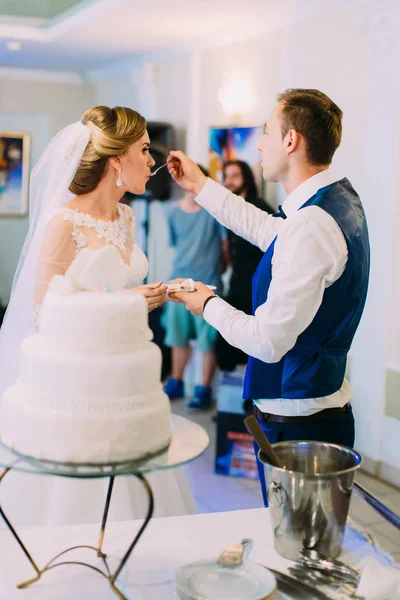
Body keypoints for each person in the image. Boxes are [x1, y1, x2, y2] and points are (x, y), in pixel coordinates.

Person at [167, 89, 370, 505]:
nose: (259, 143)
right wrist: (200, 186)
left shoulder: (313, 222)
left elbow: (268, 342)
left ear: (291, 140)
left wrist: (206, 304)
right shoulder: (334, 202)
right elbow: (266, 230)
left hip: (300, 425)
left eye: (266, 132)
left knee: (298, 552)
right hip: (316, 411)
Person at [0, 105, 195, 526]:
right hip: (79, 390)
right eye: (144, 150)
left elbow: (115, 286)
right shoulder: (63, 222)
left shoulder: (126, 216)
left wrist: (157, 293)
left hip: (127, 378)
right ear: (115, 160)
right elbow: (43, 314)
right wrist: (127, 303)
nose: (152, 160)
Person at [163, 165, 228, 409]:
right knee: (177, 338)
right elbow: (176, 247)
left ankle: (203, 390)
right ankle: (176, 382)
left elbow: (223, 249)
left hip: (208, 284)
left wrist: (218, 273)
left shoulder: (214, 212)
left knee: (206, 341)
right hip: (178, 284)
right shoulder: (172, 213)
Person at [216, 160, 271, 374]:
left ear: (246, 178)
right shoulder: (231, 212)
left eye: (234, 176)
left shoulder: (261, 209)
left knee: (254, 345)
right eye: (226, 176)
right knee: (228, 341)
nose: (229, 181)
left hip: (257, 288)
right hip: (237, 283)